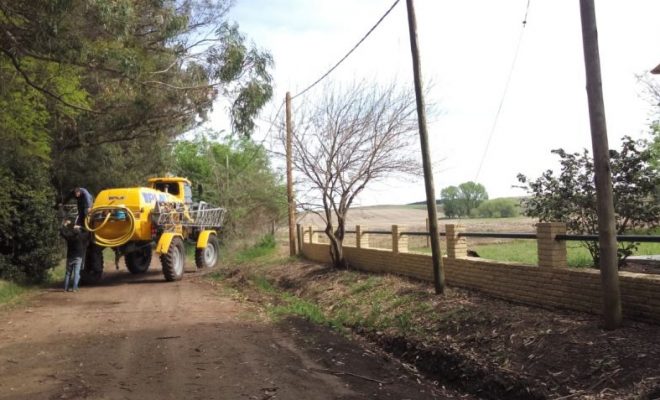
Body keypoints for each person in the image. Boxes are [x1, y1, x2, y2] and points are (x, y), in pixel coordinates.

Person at [60, 220, 90, 292]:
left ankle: (65, 288)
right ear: (78, 231)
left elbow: (62, 233)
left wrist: (64, 225)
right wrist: (81, 227)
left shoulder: (69, 237)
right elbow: (88, 232)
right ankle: (75, 288)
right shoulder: (81, 236)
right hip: (78, 257)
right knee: (76, 273)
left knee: (68, 273)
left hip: (70, 256)